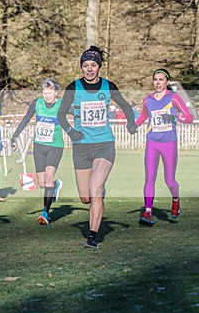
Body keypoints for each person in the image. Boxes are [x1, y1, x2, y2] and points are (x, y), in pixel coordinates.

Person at [56, 46, 136, 248]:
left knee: (95, 189)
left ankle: (92, 237)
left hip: (104, 144)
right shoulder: (73, 87)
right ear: (81, 67)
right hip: (81, 146)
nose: (89, 69)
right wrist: (71, 131)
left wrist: (131, 122)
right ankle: (98, 190)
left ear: (99, 67)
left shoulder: (108, 86)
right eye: (85, 65)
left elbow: (126, 106)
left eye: (93, 65)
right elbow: (60, 115)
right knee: (85, 197)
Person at [135, 68, 194, 225]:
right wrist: (134, 125)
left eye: (161, 80)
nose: (158, 82)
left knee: (170, 181)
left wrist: (173, 116)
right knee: (149, 178)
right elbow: (144, 116)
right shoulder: (148, 100)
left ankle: (175, 200)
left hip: (169, 143)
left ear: (167, 82)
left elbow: (189, 117)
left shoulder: (174, 98)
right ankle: (148, 212)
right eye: (155, 79)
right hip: (152, 142)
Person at [11, 78, 65, 225]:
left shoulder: (62, 105)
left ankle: (45, 213)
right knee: (42, 183)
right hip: (39, 146)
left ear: (56, 92)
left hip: (55, 146)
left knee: (47, 179)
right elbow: (25, 119)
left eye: (50, 92)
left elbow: (78, 113)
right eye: (44, 92)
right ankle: (55, 185)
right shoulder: (37, 103)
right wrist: (15, 135)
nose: (46, 95)